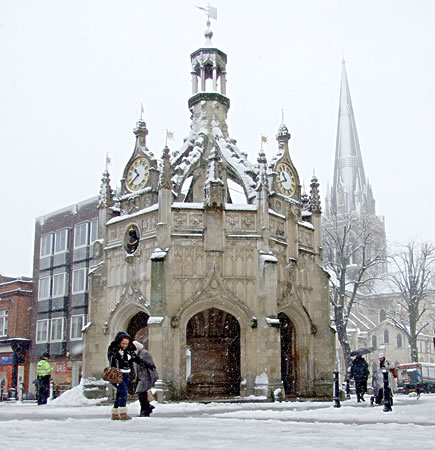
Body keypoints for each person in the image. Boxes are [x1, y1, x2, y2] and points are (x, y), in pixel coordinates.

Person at [107, 331, 137, 420]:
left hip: (126, 375)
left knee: (119, 393)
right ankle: (123, 413)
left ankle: (115, 413)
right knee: (123, 391)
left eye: (126, 344)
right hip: (116, 375)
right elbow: (111, 359)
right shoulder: (113, 349)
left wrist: (148, 364)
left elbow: (134, 359)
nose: (125, 345)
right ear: (119, 342)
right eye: (123, 343)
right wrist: (118, 355)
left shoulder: (128, 351)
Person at [132, 340, 158, 417]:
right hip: (140, 377)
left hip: (146, 376)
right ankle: (146, 408)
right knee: (142, 393)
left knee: (140, 392)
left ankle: (145, 410)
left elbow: (151, 366)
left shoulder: (145, 353)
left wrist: (153, 377)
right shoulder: (135, 354)